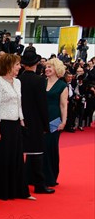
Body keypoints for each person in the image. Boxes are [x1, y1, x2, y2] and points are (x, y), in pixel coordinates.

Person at [0, 53, 33, 200]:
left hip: (15, 124)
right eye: (16, 64)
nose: (19, 67)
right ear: (8, 66)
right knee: (4, 157)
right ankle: (3, 191)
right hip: (4, 124)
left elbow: (19, 103)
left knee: (17, 158)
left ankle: (19, 191)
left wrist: (22, 121)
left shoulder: (17, 82)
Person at [19, 50, 54, 195]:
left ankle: (22, 180)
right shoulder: (39, 80)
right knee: (37, 152)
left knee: (21, 151)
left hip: (20, 119)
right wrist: (46, 124)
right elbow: (42, 105)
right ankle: (39, 184)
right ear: (36, 64)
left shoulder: (18, 79)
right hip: (35, 120)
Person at [43, 57, 68, 187]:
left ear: (56, 69)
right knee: (39, 147)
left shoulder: (62, 85)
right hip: (41, 119)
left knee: (50, 147)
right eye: (46, 67)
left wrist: (63, 121)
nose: (47, 69)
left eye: (49, 67)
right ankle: (34, 175)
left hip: (54, 120)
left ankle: (50, 177)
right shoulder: (42, 82)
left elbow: (64, 105)